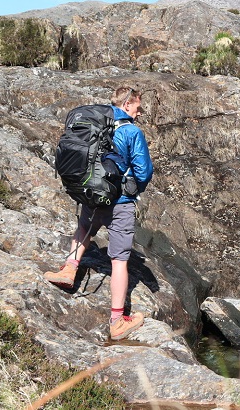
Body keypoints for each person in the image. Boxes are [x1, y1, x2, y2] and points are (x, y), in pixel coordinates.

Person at [44, 86, 154, 340]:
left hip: (92, 194)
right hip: (120, 203)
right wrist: (133, 189)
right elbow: (144, 171)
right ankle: (117, 320)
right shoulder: (130, 131)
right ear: (127, 104)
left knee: (84, 228)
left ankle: (69, 270)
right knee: (119, 260)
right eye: (137, 108)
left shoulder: (94, 125)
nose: (139, 114)